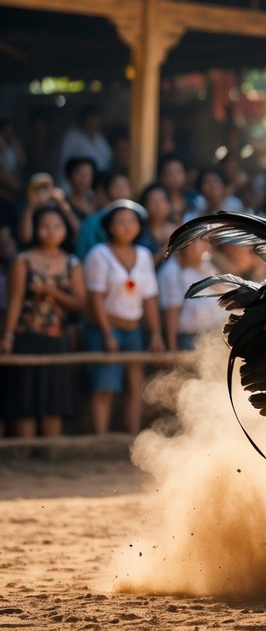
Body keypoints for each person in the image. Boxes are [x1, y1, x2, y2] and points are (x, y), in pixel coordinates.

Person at [1, 206, 84, 442]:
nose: (50, 231)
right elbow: (15, 301)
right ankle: (25, 453)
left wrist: (51, 292)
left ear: (64, 230)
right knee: (24, 399)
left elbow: (80, 303)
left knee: (54, 399)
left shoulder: (72, 263)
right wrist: (8, 336)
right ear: (36, 229)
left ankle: (51, 454)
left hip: (57, 338)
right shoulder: (23, 261)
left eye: (56, 226)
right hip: (25, 336)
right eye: (45, 226)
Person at [84, 200, 163, 434]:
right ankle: (100, 440)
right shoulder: (99, 254)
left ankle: (133, 438)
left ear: (139, 226)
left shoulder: (144, 255)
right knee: (105, 387)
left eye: (132, 221)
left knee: (135, 385)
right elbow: (95, 298)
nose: (127, 226)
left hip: (134, 328)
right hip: (105, 327)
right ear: (110, 227)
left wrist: (156, 333)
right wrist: (107, 333)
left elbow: (150, 298)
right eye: (120, 221)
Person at [157, 237, 226, 351]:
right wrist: (172, 346)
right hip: (188, 338)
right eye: (194, 243)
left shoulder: (208, 266)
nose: (202, 246)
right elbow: (171, 310)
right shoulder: (172, 271)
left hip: (213, 335)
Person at [57, 105, 112, 180]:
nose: (94, 122)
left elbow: (107, 158)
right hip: (76, 179)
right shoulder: (72, 135)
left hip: (99, 179)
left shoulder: (99, 137)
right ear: (84, 119)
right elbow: (64, 160)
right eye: (91, 119)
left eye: (96, 119)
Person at [139, 182, 178, 264]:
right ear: (145, 205)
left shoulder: (178, 230)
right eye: (153, 201)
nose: (158, 205)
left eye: (162, 200)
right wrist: (165, 251)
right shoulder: (139, 232)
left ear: (169, 204)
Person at [63, 155, 97, 221]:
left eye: (88, 174)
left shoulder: (97, 202)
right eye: (79, 174)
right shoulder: (63, 202)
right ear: (70, 176)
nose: (84, 179)